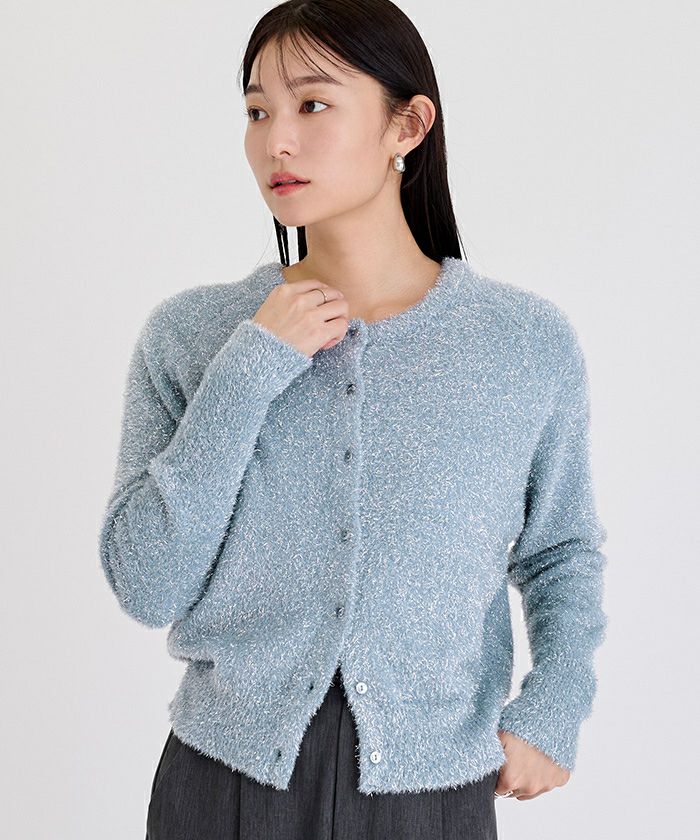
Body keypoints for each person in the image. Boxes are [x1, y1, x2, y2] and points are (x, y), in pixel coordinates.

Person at [99, 2, 608, 838]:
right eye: (257, 111)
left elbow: (561, 551)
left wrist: (554, 705)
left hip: (433, 789)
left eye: (312, 104)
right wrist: (251, 367)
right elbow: (147, 585)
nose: (277, 141)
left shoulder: (521, 343)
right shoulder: (193, 335)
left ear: (407, 125)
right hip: (224, 784)